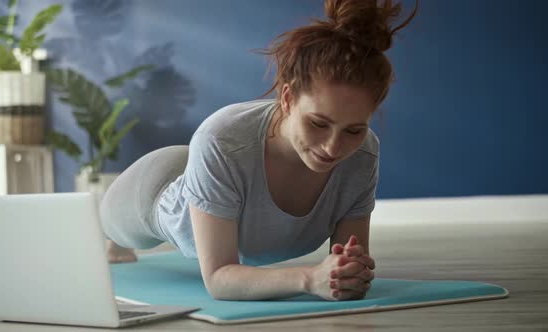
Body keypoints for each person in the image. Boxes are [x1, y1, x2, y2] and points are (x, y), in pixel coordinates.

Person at [100, 0, 418, 302]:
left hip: (221, 163)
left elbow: (345, 264)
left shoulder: (362, 154)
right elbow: (219, 279)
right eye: (319, 123)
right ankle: (115, 241)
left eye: (353, 130)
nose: (333, 147)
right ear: (288, 98)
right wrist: (309, 279)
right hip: (158, 187)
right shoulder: (221, 138)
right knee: (118, 235)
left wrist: (349, 274)